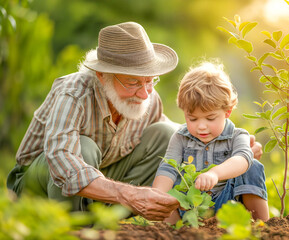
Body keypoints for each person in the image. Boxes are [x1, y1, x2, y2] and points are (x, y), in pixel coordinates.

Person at [6, 22, 262, 221]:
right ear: (102, 75)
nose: (145, 92)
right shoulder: (73, 93)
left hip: (103, 181)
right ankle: (70, 227)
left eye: (150, 80)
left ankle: (104, 223)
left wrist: (235, 149)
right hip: (39, 185)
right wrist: (128, 193)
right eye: (133, 82)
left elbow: (182, 138)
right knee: (83, 148)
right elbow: (61, 159)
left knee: (165, 133)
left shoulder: (147, 96)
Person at [153, 62, 270, 222]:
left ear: (227, 112)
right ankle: (169, 230)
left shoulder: (237, 136)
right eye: (192, 118)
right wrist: (157, 195)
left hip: (228, 203)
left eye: (210, 118)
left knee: (252, 166)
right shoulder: (180, 137)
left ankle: (263, 225)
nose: (201, 126)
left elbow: (242, 158)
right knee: (168, 180)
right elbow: (168, 167)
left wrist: (215, 173)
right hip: (189, 205)